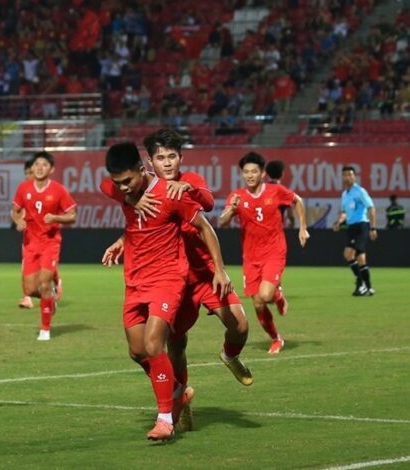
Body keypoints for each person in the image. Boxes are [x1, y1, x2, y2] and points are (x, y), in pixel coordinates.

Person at [100, 142, 231, 441]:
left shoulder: (170, 194)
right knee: (136, 351)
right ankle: (177, 392)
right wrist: (131, 200)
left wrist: (220, 269)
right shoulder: (123, 191)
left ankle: (165, 420)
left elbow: (205, 227)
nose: (123, 188)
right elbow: (104, 185)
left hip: (168, 279)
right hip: (134, 280)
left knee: (153, 343)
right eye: (118, 183)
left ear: (141, 169)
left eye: (128, 181)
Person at [138, 128, 252, 386]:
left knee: (240, 325)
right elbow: (114, 189)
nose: (167, 163)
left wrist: (188, 188)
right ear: (150, 162)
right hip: (173, 280)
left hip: (204, 273)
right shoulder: (145, 190)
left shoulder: (190, 179)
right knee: (176, 344)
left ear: (181, 157)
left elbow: (209, 203)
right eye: (160, 158)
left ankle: (230, 355)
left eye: (172, 156)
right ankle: (182, 401)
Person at [219, 152, 309, 355]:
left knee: (265, 295)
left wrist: (303, 227)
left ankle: (276, 293)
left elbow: (298, 200)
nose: (249, 175)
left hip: (274, 251)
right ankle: (276, 338)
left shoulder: (276, 191)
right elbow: (222, 222)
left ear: (262, 173)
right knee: (258, 303)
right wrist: (230, 211)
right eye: (246, 172)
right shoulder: (236, 196)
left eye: (254, 171)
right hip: (250, 257)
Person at [11, 151, 77, 341]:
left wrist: (56, 218)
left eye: (44, 165)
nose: (40, 168)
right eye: (37, 164)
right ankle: (50, 299)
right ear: (32, 168)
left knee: (44, 283)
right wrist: (18, 221)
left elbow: (73, 215)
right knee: (31, 290)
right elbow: (14, 211)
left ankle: (45, 329)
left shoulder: (58, 190)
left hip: (50, 243)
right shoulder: (24, 188)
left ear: (52, 169)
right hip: (30, 243)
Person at [332, 166, 377, 296]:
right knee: (360, 258)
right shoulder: (344, 194)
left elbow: (371, 208)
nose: (347, 177)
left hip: (361, 225)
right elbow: (344, 213)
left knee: (348, 253)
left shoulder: (360, 191)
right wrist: (339, 222)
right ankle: (368, 287)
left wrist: (373, 228)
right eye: (345, 175)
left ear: (354, 177)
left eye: (349, 175)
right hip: (351, 227)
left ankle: (361, 283)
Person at [265, 160, 295, 228]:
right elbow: (291, 216)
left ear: (268, 173)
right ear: (282, 174)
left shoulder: (261, 190)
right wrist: (290, 227)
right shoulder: (285, 192)